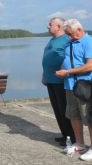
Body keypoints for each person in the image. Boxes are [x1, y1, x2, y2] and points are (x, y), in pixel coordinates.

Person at [55, 19, 92, 160]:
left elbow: (90, 65)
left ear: (79, 30)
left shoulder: (88, 42)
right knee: (74, 115)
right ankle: (80, 143)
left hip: (85, 87)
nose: (69, 37)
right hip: (70, 86)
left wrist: (68, 72)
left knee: (89, 117)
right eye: (67, 34)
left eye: (70, 34)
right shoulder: (69, 42)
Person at [41, 17, 75, 146]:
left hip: (61, 81)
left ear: (59, 26)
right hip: (50, 80)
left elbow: (69, 57)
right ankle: (64, 135)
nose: (48, 26)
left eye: (50, 24)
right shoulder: (52, 39)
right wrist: (44, 74)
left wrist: (63, 70)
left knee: (64, 109)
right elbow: (49, 57)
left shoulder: (66, 39)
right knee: (57, 109)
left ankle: (72, 137)